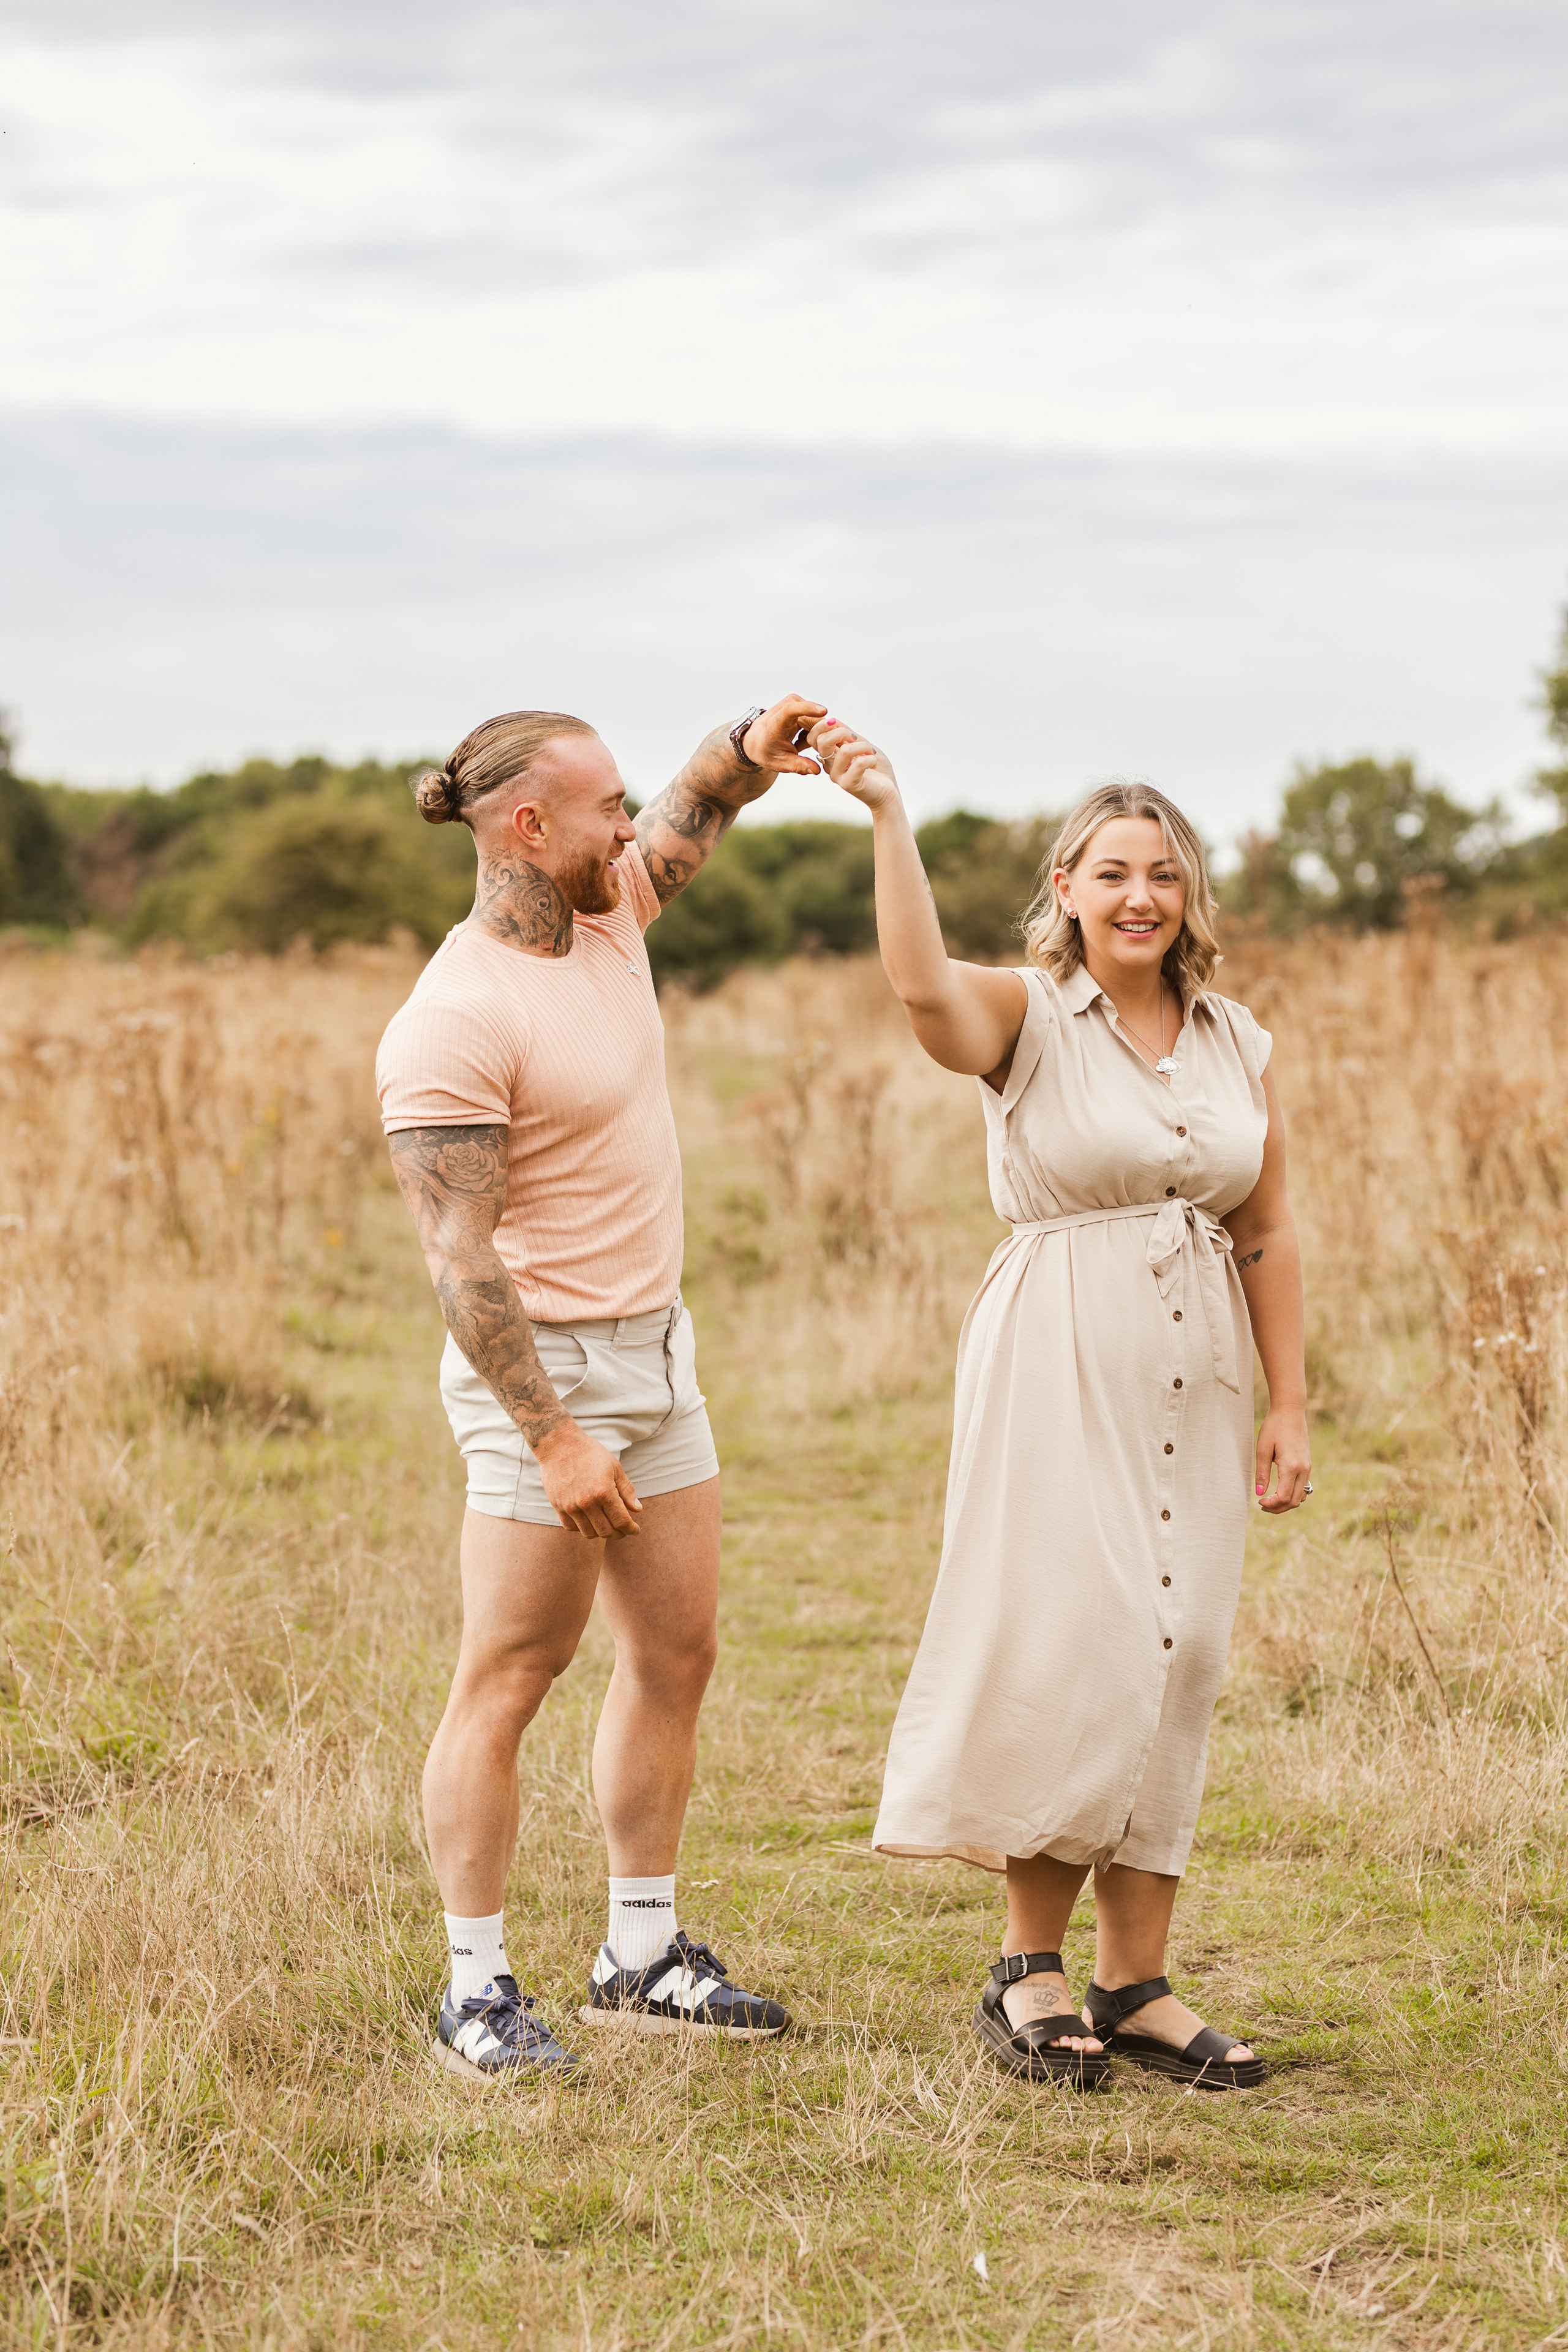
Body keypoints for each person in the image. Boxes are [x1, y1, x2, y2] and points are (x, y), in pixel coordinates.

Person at [815, 723, 1310, 2092]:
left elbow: (1265, 1226)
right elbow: (918, 986)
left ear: (1190, 892)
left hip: (1200, 1363)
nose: (1140, 896)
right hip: (1060, 1351)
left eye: (1163, 873)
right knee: (1079, 1641)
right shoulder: (1025, 1017)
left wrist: (1290, 1403)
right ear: (1068, 890)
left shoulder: (1234, 1038)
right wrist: (886, 812)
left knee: (1180, 1652)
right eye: (1112, 873)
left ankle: (1135, 1983)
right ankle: (1026, 1968)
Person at [377, 695, 826, 2080]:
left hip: (660, 1357)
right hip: (545, 1376)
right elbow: (460, 1263)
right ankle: (474, 1989)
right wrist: (555, 1437)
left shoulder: (610, 916)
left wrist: (751, 744)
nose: (632, 829)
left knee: (676, 1654)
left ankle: (640, 1956)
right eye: (605, 809)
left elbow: (699, 805)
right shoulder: (454, 1017)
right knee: (512, 1673)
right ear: (527, 826)